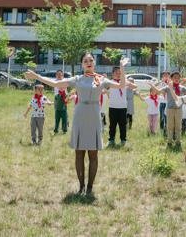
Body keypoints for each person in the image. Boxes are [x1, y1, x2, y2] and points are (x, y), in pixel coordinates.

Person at [24, 54, 129, 196]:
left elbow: (122, 85)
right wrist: (37, 76)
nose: (89, 62)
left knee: (93, 154)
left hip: (94, 116)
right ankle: (81, 186)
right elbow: (56, 83)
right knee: (79, 153)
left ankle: (90, 187)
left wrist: (122, 68)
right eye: (85, 61)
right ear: (82, 65)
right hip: (80, 116)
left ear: (94, 63)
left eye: (91, 60)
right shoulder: (77, 79)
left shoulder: (102, 79)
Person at [151, 71, 186, 149]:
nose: (177, 79)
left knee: (178, 126)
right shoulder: (168, 87)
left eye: (178, 78)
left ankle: (178, 141)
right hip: (170, 109)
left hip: (179, 109)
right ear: (171, 78)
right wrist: (152, 85)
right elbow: (158, 92)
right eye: (175, 77)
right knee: (170, 126)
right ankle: (169, 141)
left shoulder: (182, 88)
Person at [107, 66, 138, 147]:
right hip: (113, 107)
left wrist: (127, 82)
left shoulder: (124, 82)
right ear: (112, 74)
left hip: (123, 108)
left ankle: (123, 140)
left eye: (120, 73)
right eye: (116, 73)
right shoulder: (110, 82)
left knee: (123, 125)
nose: (118, 74)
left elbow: (135, 86)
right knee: (112, 125)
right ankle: (111, 140)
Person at [53, 70, 69, 134]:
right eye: (58, 74)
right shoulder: (54, 81)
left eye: (61, 74)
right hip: (57, 98)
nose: (59, 76)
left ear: (63, 75)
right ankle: (56, 128)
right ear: (56, 75)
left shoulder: (64, 81)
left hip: (64, 97)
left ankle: (64, 127)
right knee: (57, 113)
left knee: (64, 113)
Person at [158, 71, 170, 137]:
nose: (165, 77)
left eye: (167, 75)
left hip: (168, 103)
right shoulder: (161, 83)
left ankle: (166, 129)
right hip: (162, 102)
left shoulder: (170, 83)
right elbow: (160, 91)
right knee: (162, 117)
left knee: (167, 118)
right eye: (164, 75)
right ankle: (161, 129)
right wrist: (162, 83)